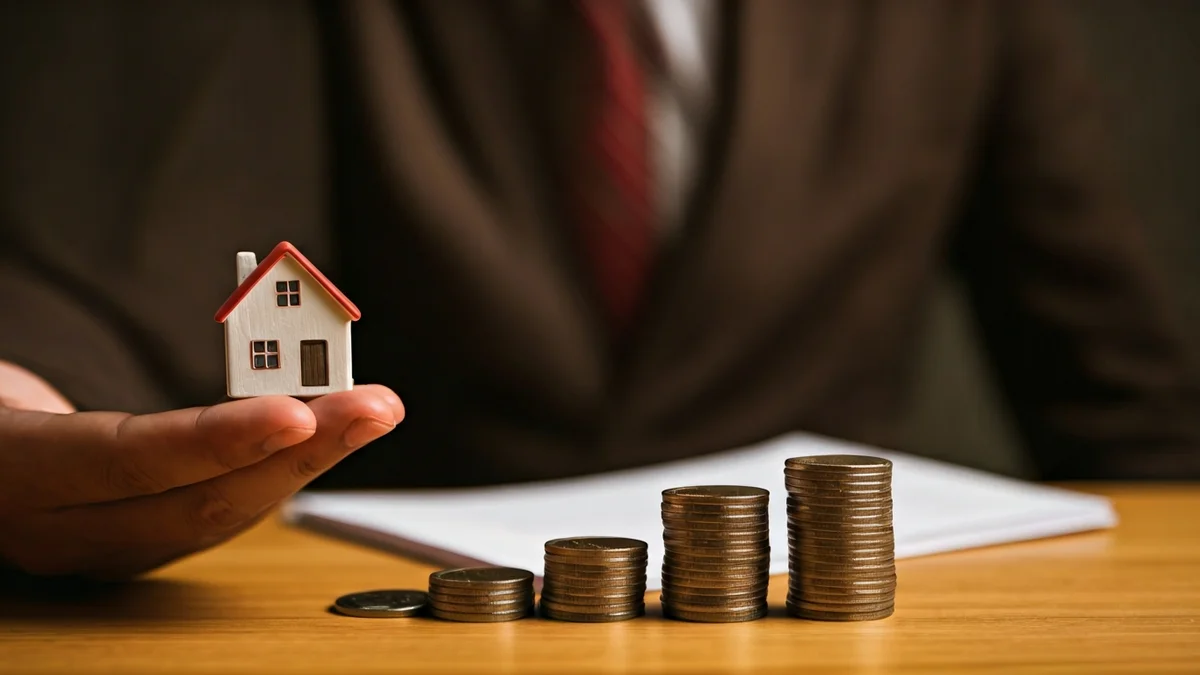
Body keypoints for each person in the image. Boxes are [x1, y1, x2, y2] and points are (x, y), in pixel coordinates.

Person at [1, 0, 1197, 581]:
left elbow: (1127, 394)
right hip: (404, 609)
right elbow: (124, 273)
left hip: (821, 615)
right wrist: (21, 394)